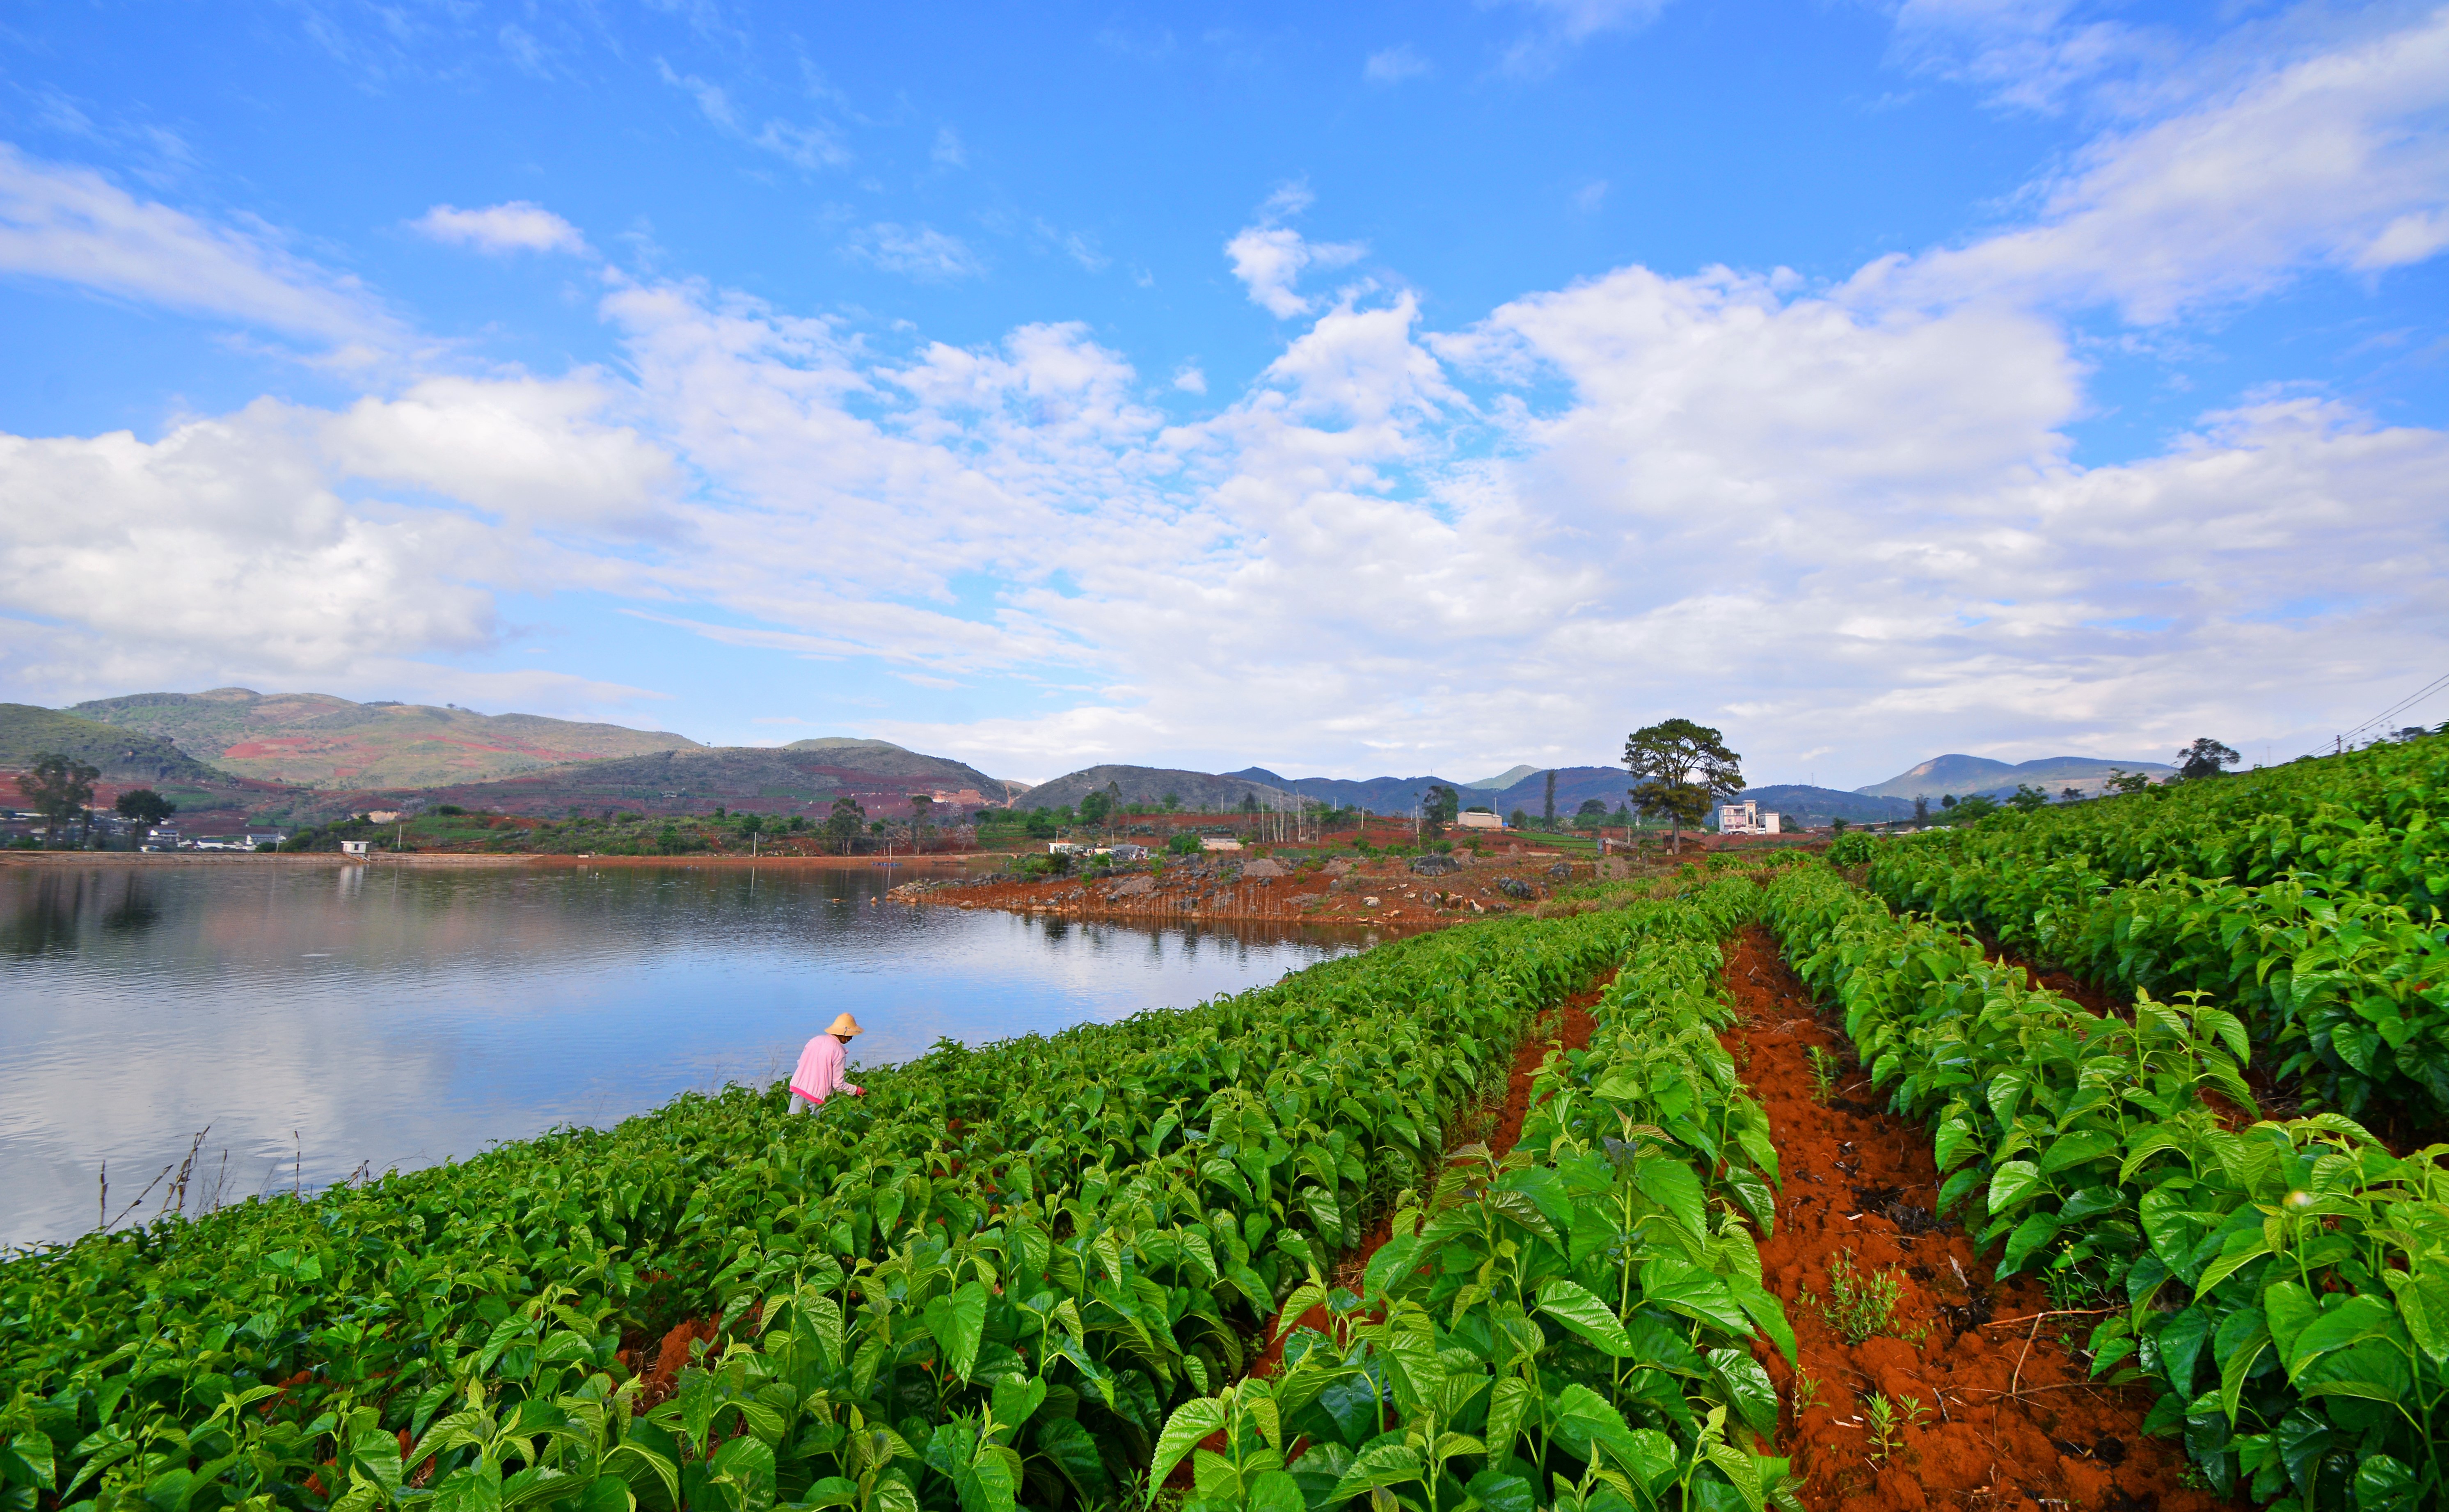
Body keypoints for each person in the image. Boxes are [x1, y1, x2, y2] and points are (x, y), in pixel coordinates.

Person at [790, 1013, 867, 1113]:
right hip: (817, 1096)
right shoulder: (839, 1051)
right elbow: (838, 1085)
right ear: (842, 1034)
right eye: (850, 1035)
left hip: (798, 1088)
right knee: (816, 1125)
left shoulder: (815, 1041)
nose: (851, 1038)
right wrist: (857, 1090)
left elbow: (801, 1063)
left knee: (792, 1122)